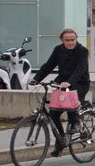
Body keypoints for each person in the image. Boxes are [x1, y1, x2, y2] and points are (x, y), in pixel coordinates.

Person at [31, 29, 91, 157]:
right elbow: (49, 66)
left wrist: (70, 82)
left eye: (73, 40)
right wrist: (36, 79)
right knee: (54, 114)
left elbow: (81, 69)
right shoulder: (58, 50)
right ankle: (60, 141)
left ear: (76, 39)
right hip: (62, 82)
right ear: (62, 40)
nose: (70, 43)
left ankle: (75, 123)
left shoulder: (82, 51)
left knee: (71, 106)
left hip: (80, 83)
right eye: (67, 40)